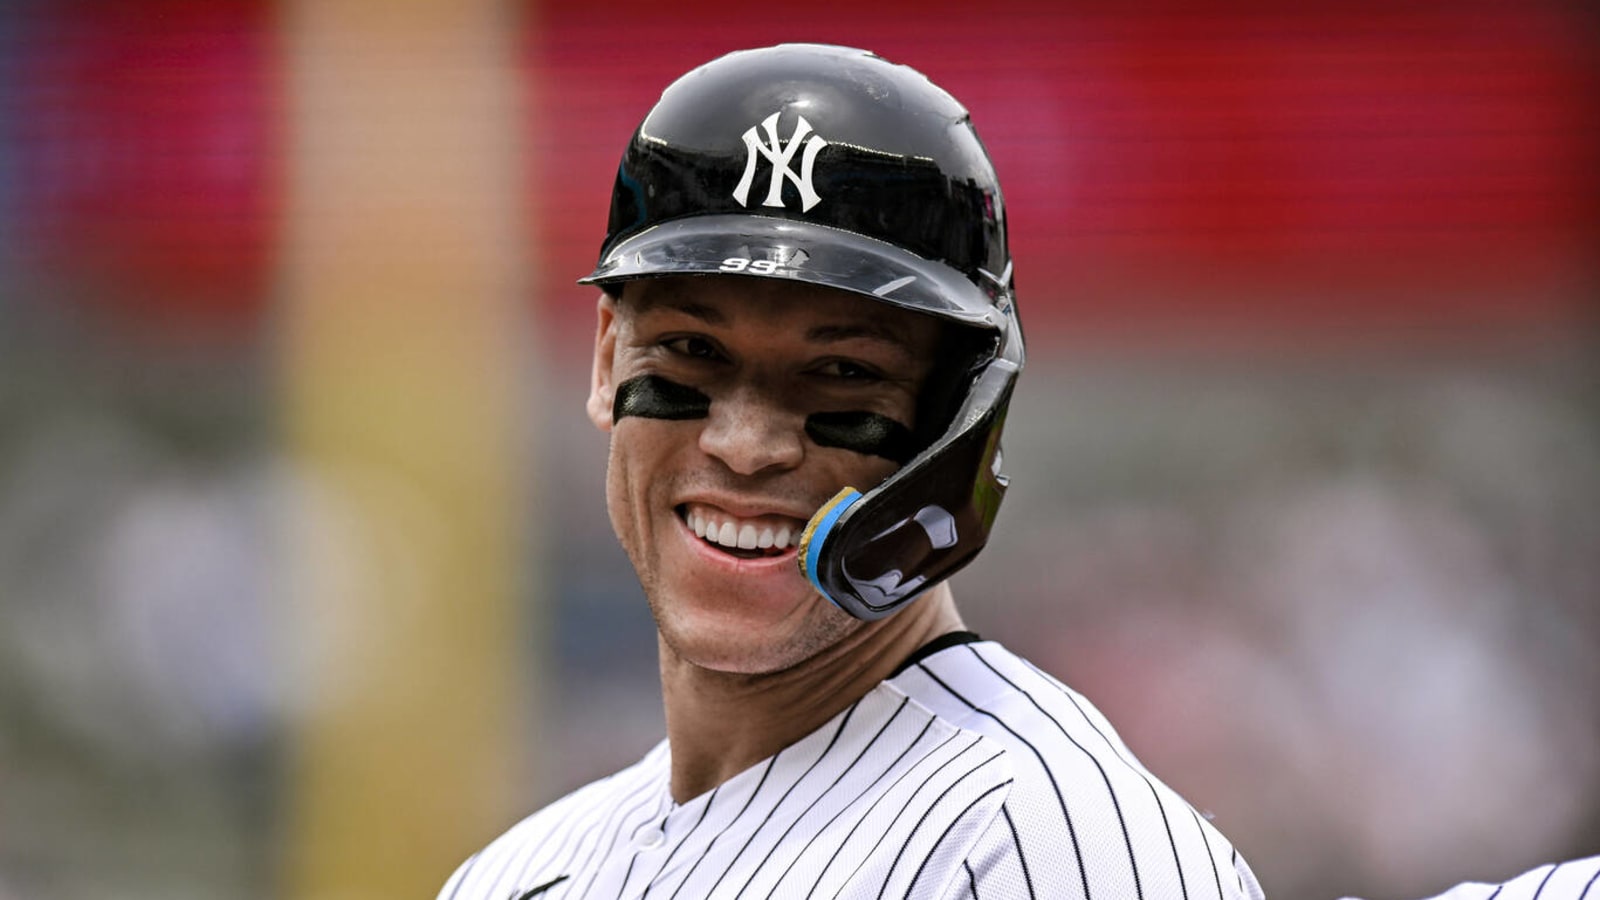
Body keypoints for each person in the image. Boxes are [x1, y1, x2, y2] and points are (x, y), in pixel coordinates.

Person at [437, 43, 1264, 899]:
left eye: (842, 374)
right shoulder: (519, 875)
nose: (747, 444)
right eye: (692, 352)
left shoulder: (1038, 842)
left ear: (953, 424)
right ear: (610, 358)